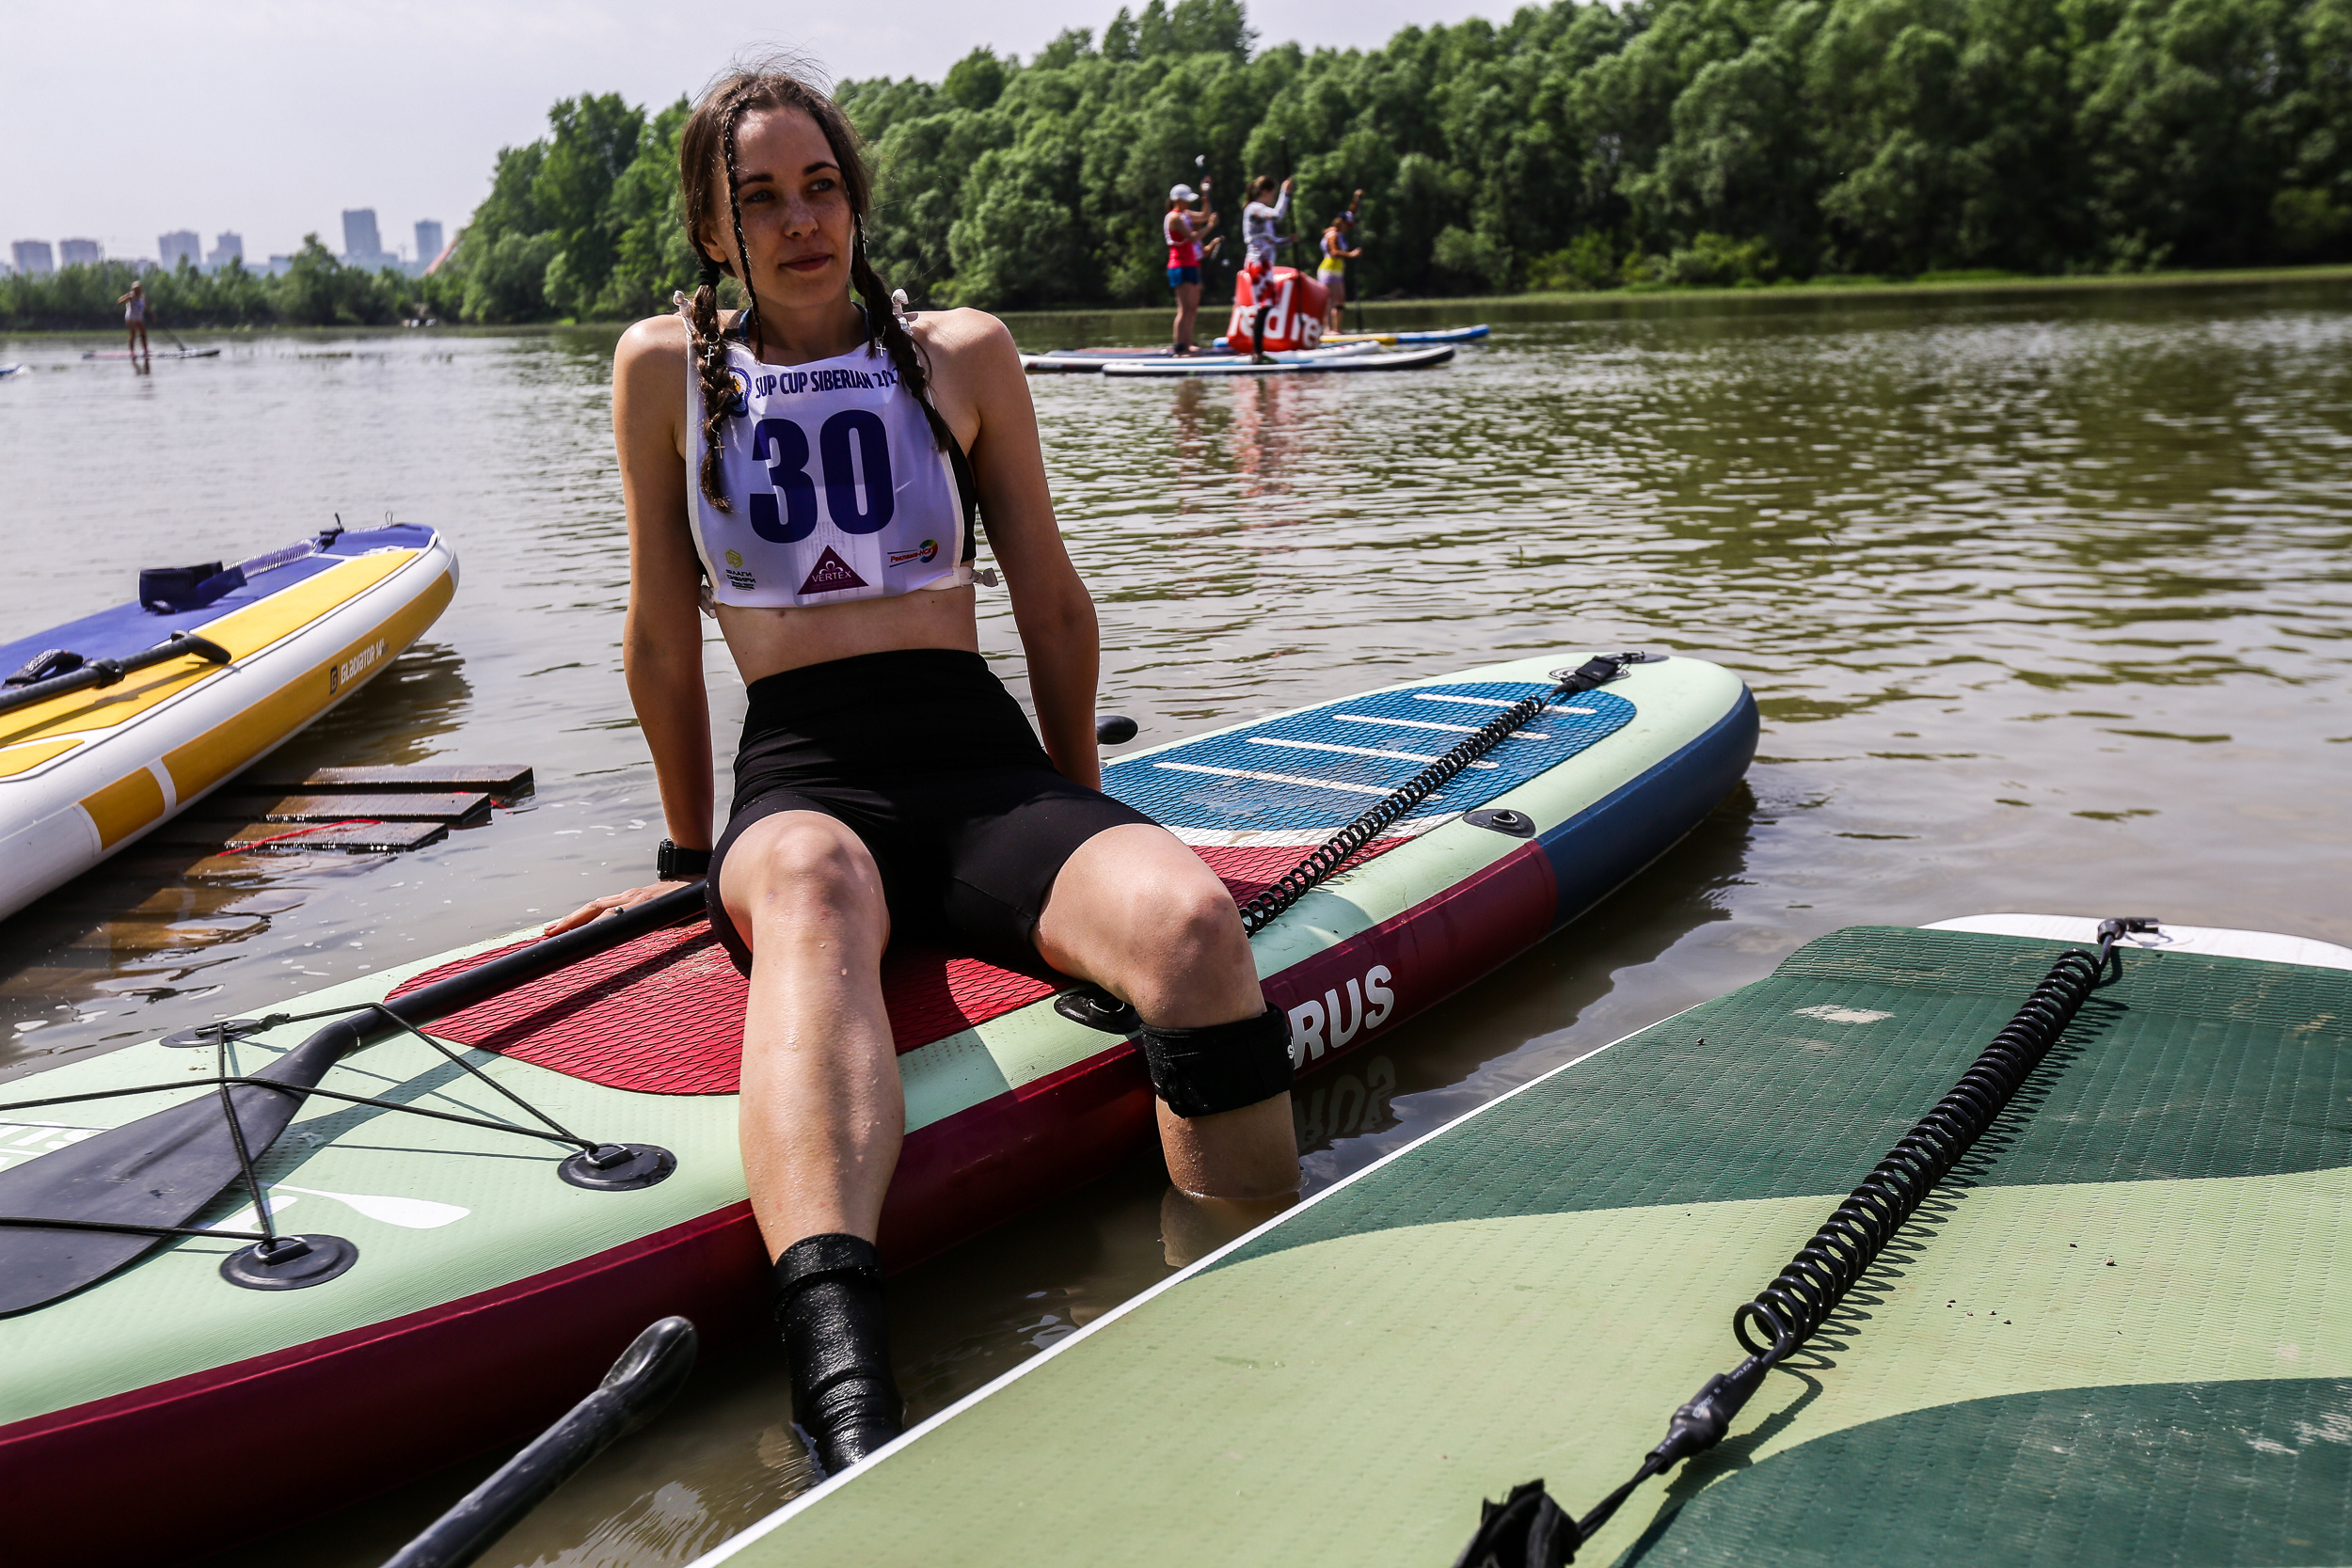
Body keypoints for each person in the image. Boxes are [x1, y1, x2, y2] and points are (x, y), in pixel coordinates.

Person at [557, 56, 1300, 1477]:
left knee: (1191, 927)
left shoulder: (964, 351)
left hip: (983, 769)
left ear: (856, 198)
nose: (799, 220)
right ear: (713, 228)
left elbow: (1052, 602)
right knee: (815, 886)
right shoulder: (661, 369)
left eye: (821, 185)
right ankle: (846, 1412)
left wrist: (1086, 813)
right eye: (759, 198)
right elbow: (659, 637)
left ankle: (1255, 1320)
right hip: (802, 778)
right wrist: (684, 860)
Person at [1240, 174, 1293, 362]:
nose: (1273, 198)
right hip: (1258, 263)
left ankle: (1258, 351)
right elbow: (1278, 215)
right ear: (1264, 192)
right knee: (1264, 305)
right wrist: (1286, 193)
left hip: (1264, 264)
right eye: (1273, 194)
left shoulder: (1260, 211)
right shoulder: (1255, 208)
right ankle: (1257, 352)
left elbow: (1270, 241)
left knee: (1267, 305)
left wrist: (1288, 241)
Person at [1164, 182, 1219, 355]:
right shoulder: (1174, 218)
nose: (1188, 203)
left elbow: (1205, 215)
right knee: (1185, 308)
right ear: (1177, 200)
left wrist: (1205, 194)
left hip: (1191, 263)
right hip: (1179, 265)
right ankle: (1180, 346)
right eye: (1186, 200)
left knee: (1192, 308)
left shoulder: (1185, 214)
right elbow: (1193, 237)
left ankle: (1188, 343)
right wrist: (1210, 227)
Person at [1319, 192, 1363, 333]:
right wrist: (1351, 254)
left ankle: (1337, 330)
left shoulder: (1341, 233)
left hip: (1338, 270)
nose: (1348, 228)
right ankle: (1328, 330)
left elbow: (1351, 212)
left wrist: (1356, 200)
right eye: (1346, 225)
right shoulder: (1332, 234)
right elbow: (1333, 252)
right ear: (1340, 222)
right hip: (1329, 269)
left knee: (1340, 300)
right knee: (1330, 300)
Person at [118, 280, 150, 364]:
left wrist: (154, 316)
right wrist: (126, 297)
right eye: (135, 289)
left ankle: (145, 350)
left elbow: (147, 306)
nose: (137, 291)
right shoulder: (131, 296)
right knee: (133, 333)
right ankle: (132, 351)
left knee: (143, 334)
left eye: (138, 289)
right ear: (133, 289)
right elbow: (119, 302)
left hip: (139, 317)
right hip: (131, 317)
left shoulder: (142, 297)